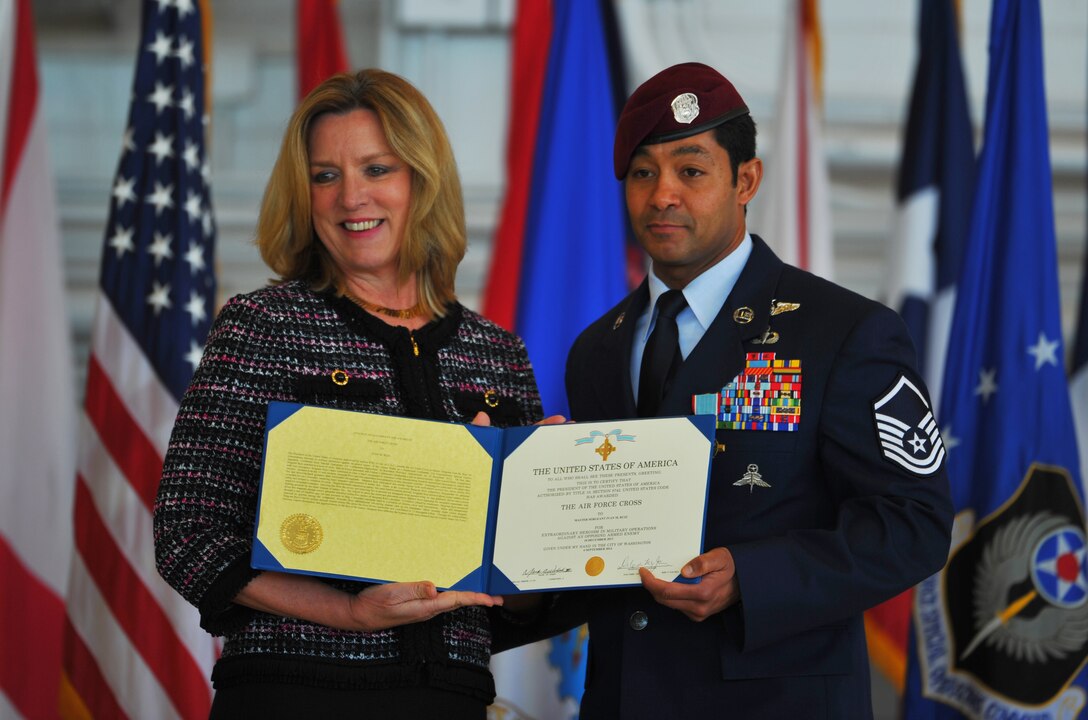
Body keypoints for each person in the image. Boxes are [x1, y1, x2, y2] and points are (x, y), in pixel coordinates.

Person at [552, 62, 954, 717]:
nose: (663, 196)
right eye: (644, 172)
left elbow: (915, 523)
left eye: (691, 169)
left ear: (746, 180)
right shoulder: (597, 350)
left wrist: (754, 577)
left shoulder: (845, 332)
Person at [153, 68, 554, 719]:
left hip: (451, 699)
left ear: (421, 180)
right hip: (294, 695)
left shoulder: (498, 353)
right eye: (325, 175)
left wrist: (542, 500)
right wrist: (347, 612)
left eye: (376, 169)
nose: (350, 199)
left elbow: (518, 592)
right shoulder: (262, 325)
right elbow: (187, 535)